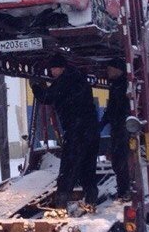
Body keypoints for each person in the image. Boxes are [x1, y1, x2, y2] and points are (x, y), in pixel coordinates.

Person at [30, 54, 100, 210]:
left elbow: (47, 97)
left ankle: (62, 201)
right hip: (90, 130)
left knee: (68, 166)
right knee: (88, 165)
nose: (52, 72)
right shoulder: (79, 78)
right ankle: (91, 196)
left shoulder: (65, 80)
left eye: (53, 69)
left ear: (60, 68)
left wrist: (35, 86)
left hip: (76, 130)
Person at [100, 57, 131, 200]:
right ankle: (123, 190)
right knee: (118, 160)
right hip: (118, 127)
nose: (107, 71)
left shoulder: (123, 85)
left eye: (110, 68)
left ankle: (125, 190)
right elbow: (112, 108)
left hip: (122, 128)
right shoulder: (116, 86)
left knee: (121, 159)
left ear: (118, 69)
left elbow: (117, 108)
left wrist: (110, 120)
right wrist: (103, 123)